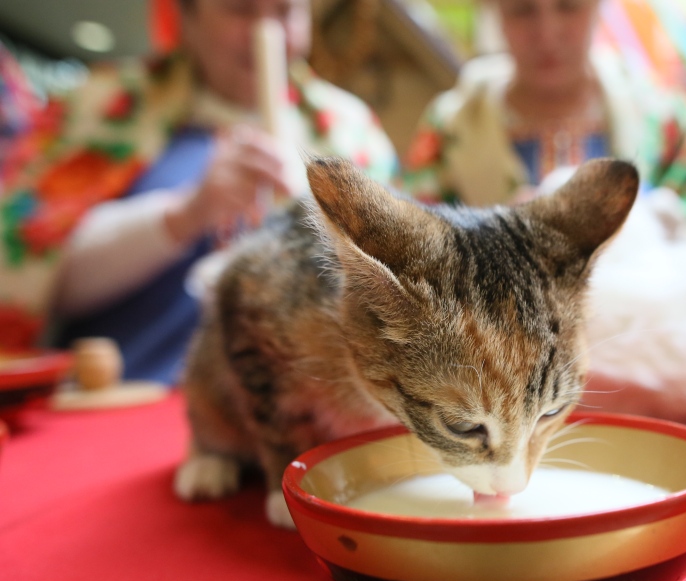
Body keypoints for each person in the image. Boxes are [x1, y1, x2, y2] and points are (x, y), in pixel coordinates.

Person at [0, 0, 396, 383]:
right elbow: (32, 272)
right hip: (125, 396)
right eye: (240, 9)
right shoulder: (103, 105)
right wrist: (188, 213)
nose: (267, 31)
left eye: (286, 11)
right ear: (185, 17)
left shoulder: (350, 132)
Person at [398, 0, 686, 224]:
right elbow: (415, 247)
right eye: (522, 10)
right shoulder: (451, 127)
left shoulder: (666, 120)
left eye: (569, 6)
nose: (547, 33)